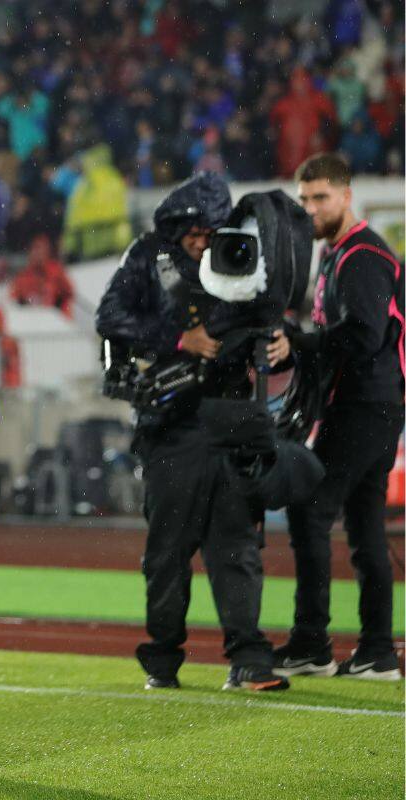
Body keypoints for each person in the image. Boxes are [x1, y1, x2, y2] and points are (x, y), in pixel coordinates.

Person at [95, 172, 289, 693]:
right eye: (196, 232)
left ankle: (250, 659)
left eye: (211, 231)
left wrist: (282, 342)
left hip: (229, 420)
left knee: (236, 548)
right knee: (167, 552)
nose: (204, 241)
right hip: (170, 424)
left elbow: (266, 315)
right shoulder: (146, 256)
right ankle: (162, 660)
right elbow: (109, 316)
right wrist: (180, 339)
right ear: (177, 225)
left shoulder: (240, 252)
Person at [267, 153, 404, 681]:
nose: (310, 208)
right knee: (366, 526)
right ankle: (376, 650)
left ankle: (312, 643)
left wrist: (299, 341)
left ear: (347, 196)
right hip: (371, 402)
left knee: (310, 507)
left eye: (320, 197)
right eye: (304, 199)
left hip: (364, 403)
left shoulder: (362, 255)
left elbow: (363, 336)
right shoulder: (340, 253)